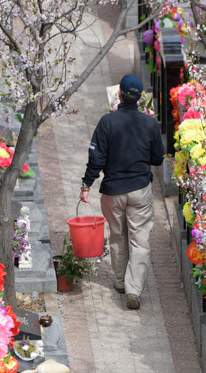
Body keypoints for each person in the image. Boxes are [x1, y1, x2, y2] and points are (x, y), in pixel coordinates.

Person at [80, 74, 165, 310]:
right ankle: (134, 289)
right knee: (140, 240)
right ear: (140, 98)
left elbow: (96, 158)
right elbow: (158, 158)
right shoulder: (149, 124)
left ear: (119, 95)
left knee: (117, 236)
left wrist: (86, 185)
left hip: (113, 191)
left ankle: (119, 281)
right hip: (140, 190)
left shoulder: (107, 122)